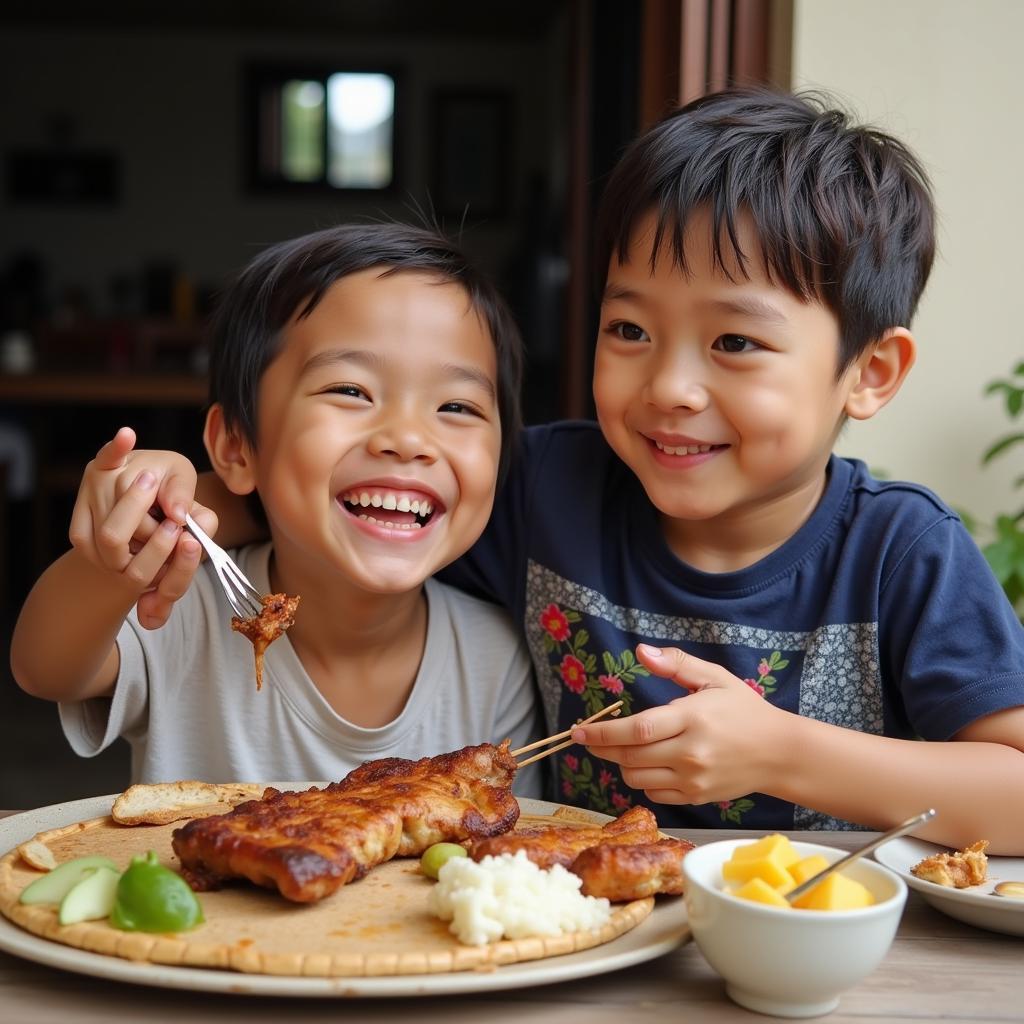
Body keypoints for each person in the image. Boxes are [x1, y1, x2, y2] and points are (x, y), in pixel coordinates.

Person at [72, 91, 1024, 851]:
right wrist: (184, 508)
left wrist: (787, 754)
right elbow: (373, 500)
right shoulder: (547, 489)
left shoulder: (905, 550)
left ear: (869, 373)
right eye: (630, 329)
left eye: (734, 340)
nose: (671, 387)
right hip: (585, 949)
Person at [9, 222, 544, 793]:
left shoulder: (494, 658)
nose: (408, 438)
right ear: (238, 446)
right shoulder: (179, 607)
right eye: (351, 391)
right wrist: (118, 557)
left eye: (457, 405)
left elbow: (505, 850)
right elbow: (45, 669)